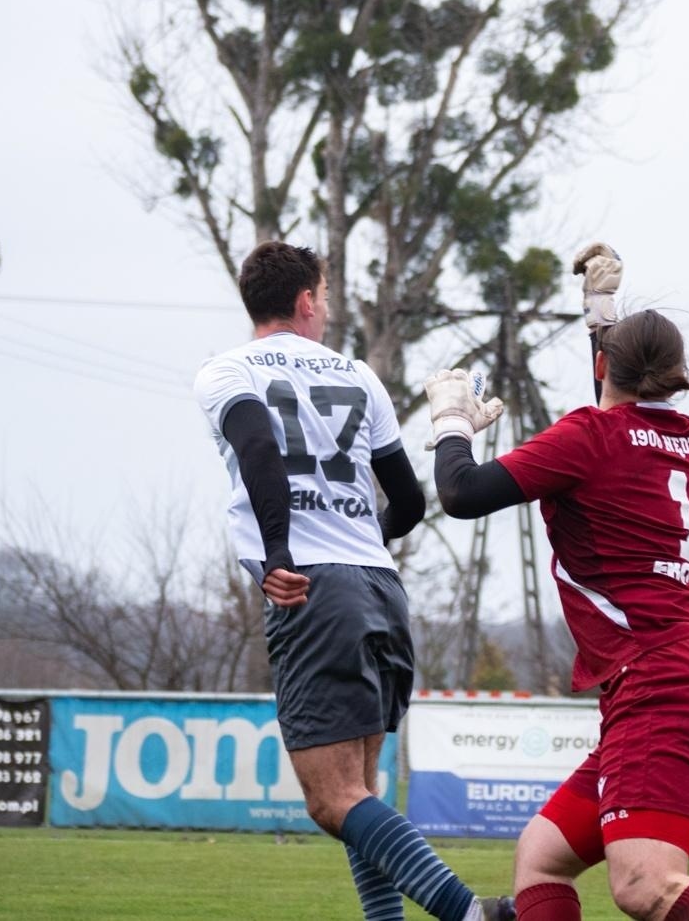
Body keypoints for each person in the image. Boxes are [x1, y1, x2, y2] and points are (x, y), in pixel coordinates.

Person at [425, 243, 689, 921]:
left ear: (607, 365)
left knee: (644, 884)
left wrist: (452, 419)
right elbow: (616, 413)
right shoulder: (688, 436)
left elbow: (458, 491)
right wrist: (601, 316)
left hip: (661, 681)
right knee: (541, 856)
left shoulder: (591, 438)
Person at [194, 241, 513, 921]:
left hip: (312, 590)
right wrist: (358, 538)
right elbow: (407, 500)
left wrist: (280, 550)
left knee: (330, 799)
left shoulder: (226, 371)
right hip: (378, 586)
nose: (328, 306)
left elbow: (257, 450)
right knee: (360, 789)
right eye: (327, 295)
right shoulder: (360, 376)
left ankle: (468, 913)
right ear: (307, 300)